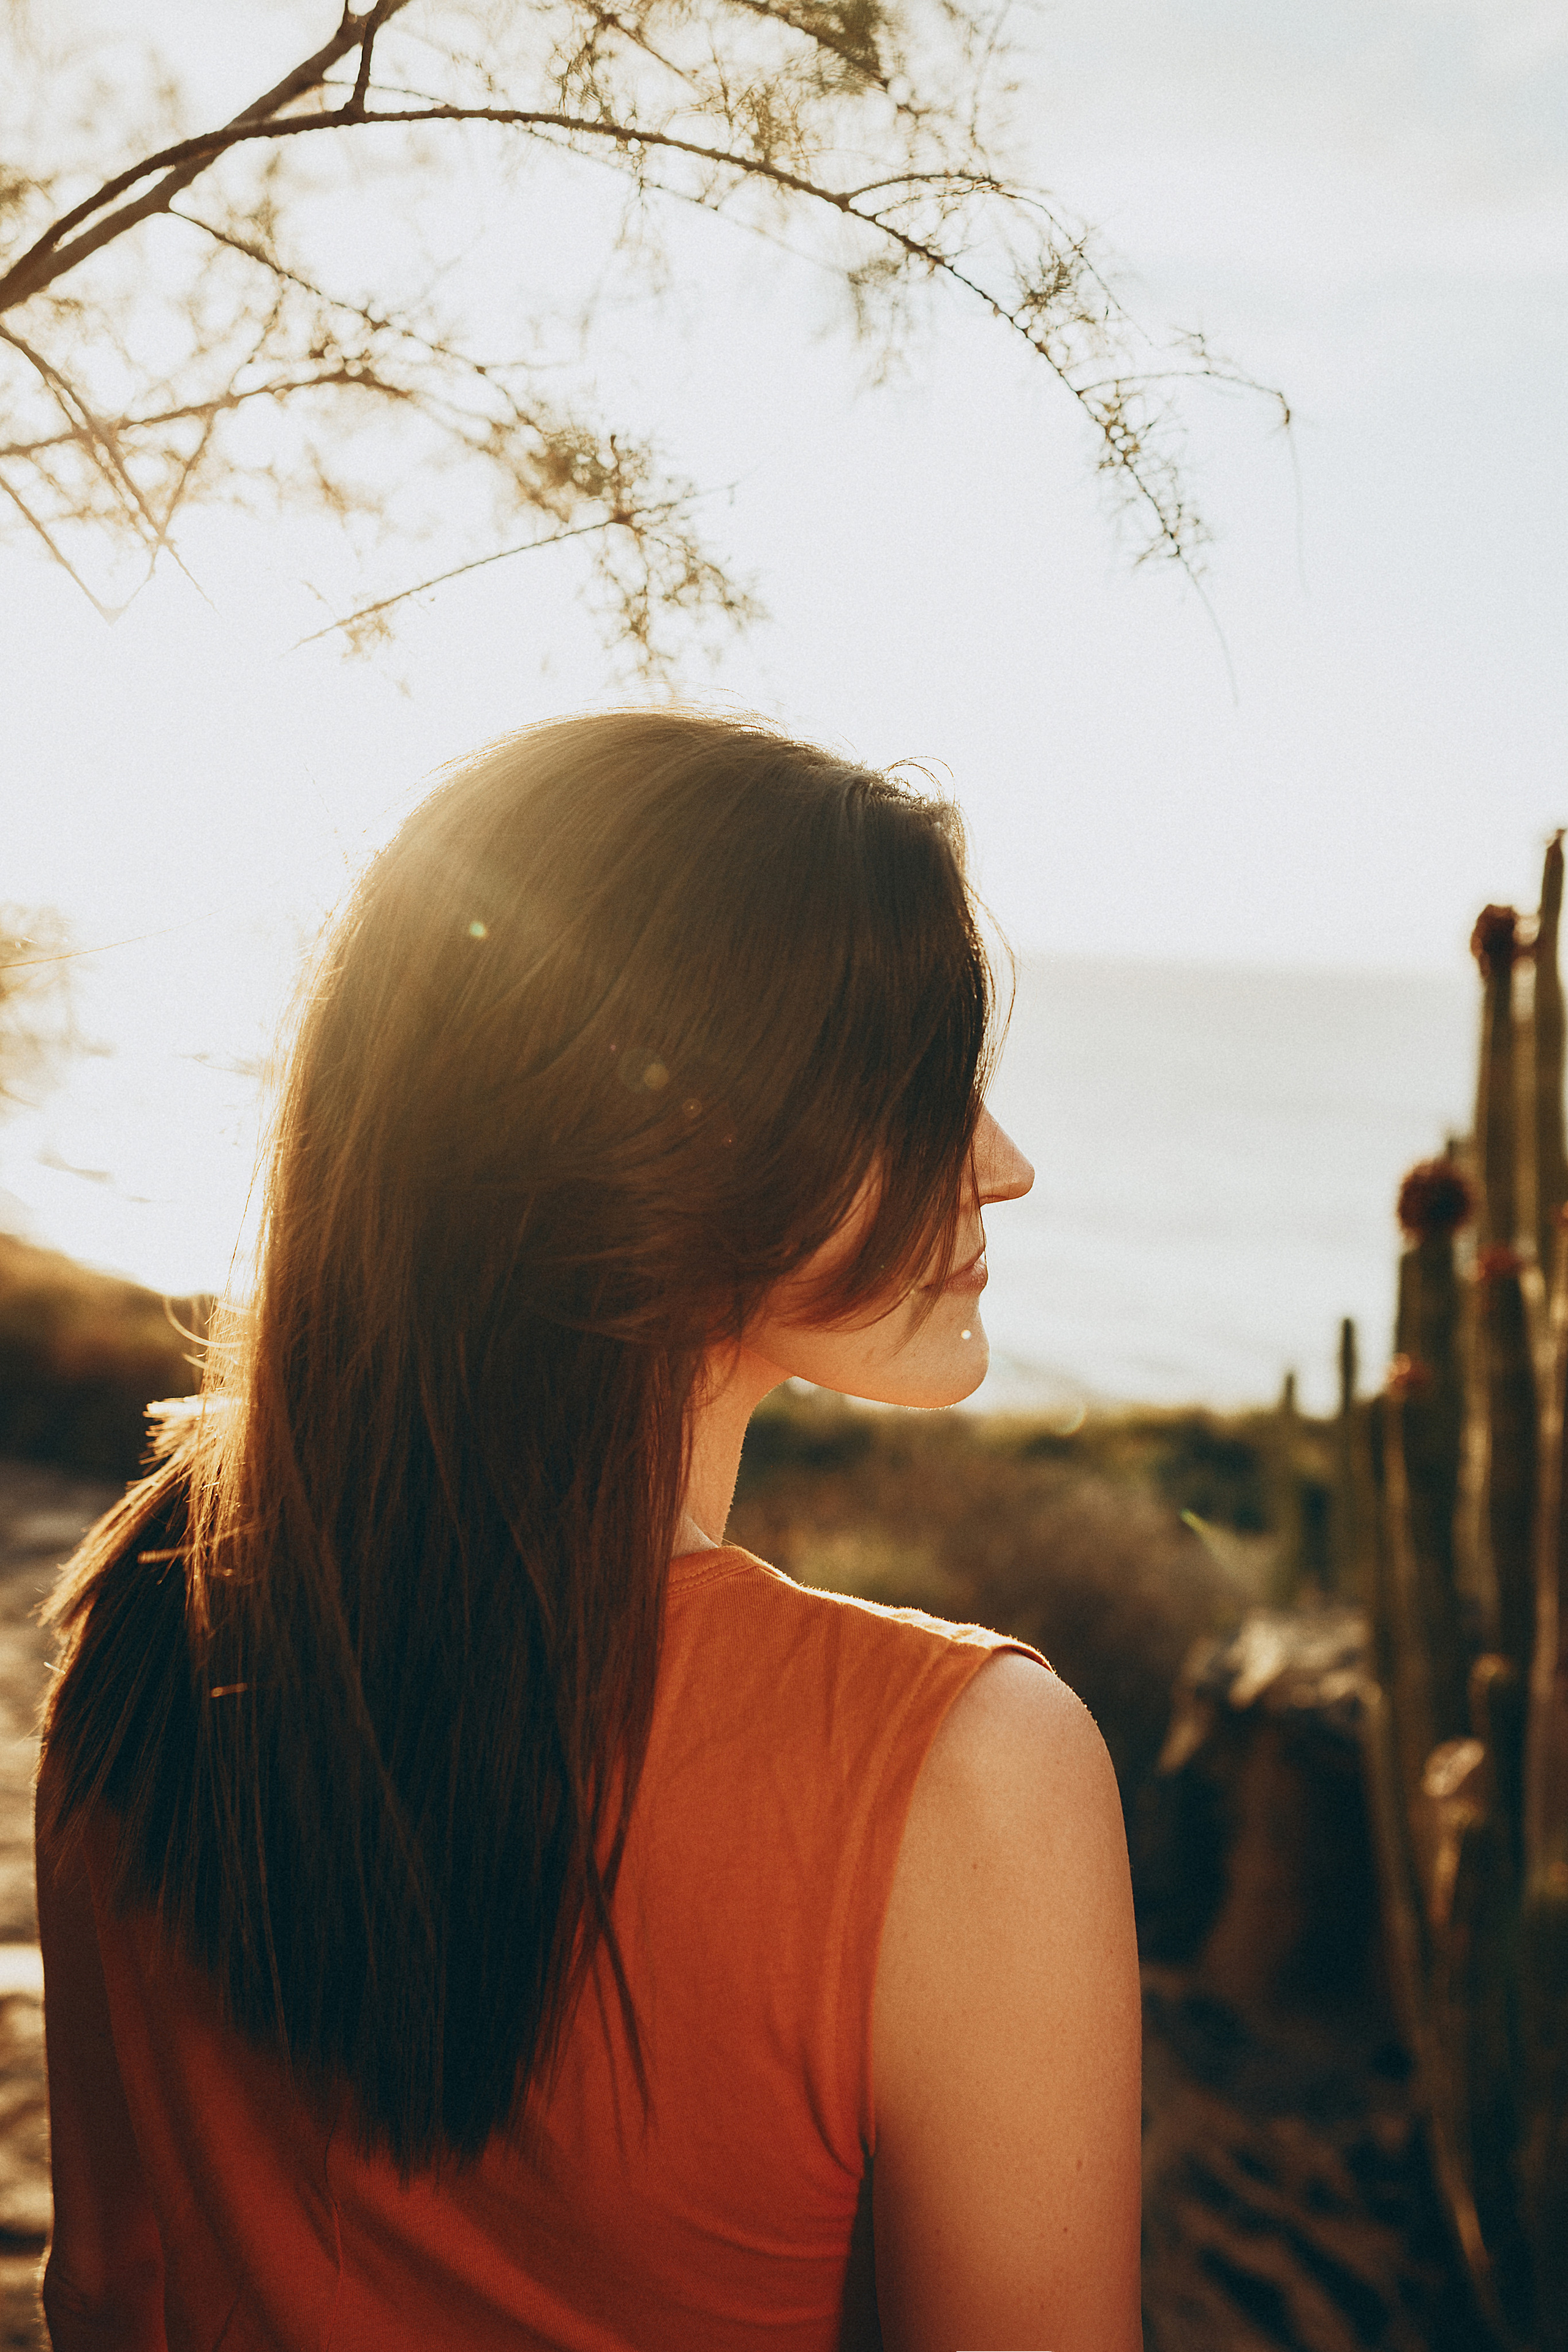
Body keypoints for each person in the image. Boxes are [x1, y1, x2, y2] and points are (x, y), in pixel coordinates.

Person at [34, 711, 1142, 2351]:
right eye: (920, 1084)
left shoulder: (153, 1608)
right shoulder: (963, 1779)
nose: (1004, 1162)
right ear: (681, 1133)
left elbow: (108, 2296)